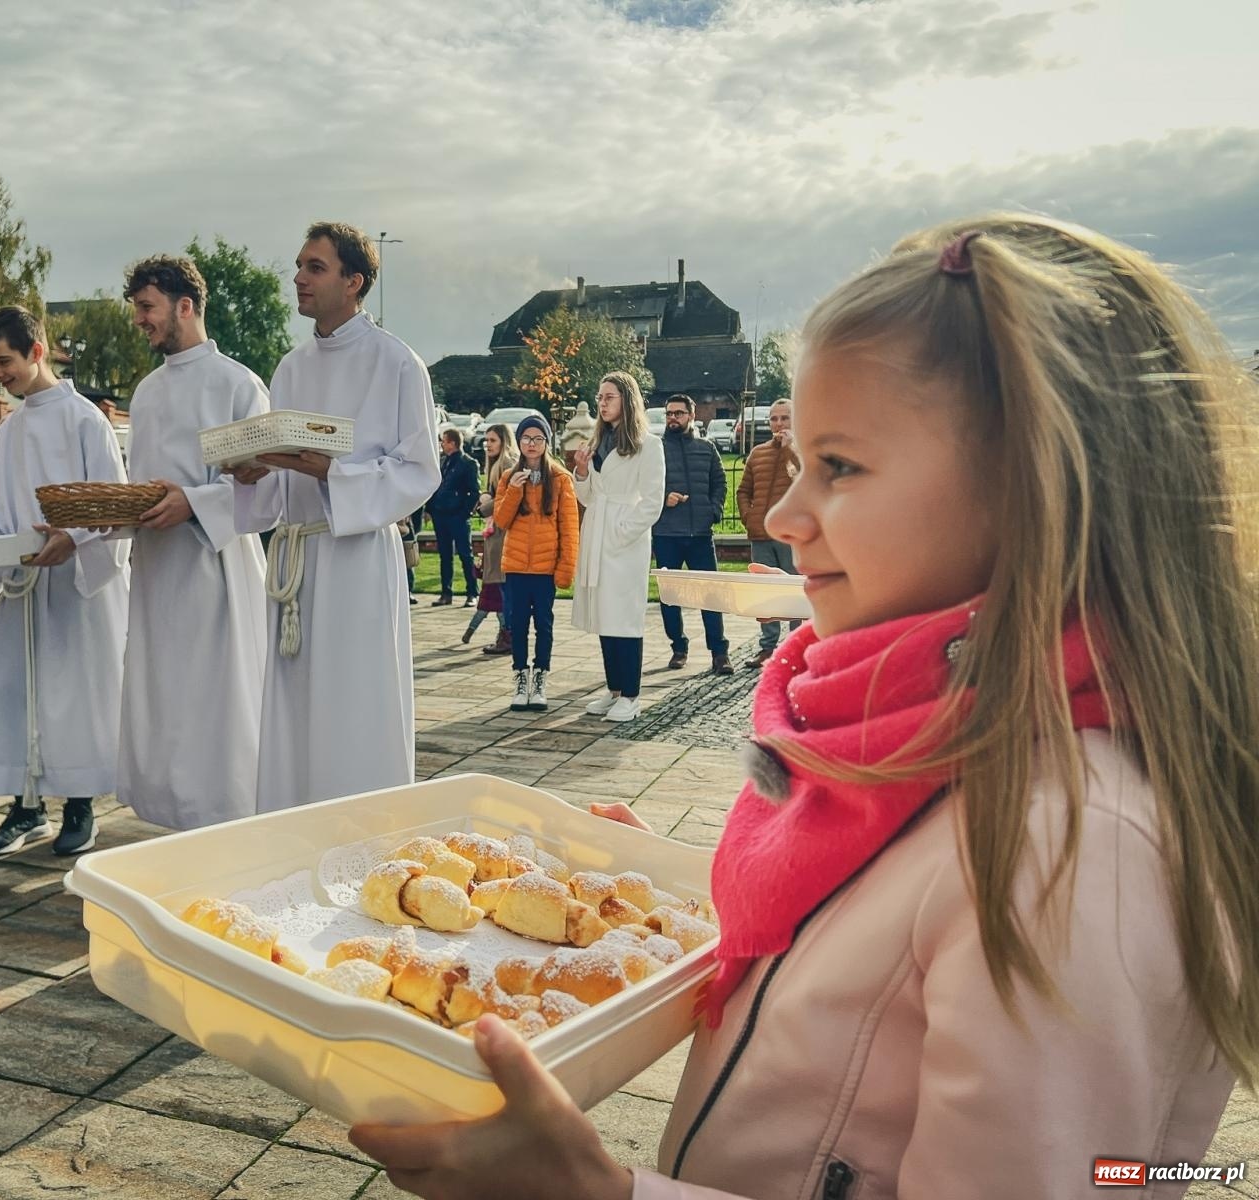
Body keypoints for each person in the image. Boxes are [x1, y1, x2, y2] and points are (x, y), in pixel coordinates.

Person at [346, 214, 1259, 1199]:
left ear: (1035, 489)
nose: (781, 517)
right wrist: (672, 886)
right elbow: (872, 952)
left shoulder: (1068, 854)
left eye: (842, 466)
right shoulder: (903, 734)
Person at [231, 221, 440, 809]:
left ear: (354, 281)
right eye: (299, 265)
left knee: (354, 703)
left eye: (314, 267)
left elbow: (421, 471)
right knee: (295, 711)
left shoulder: (398, 364)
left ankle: (363, 837)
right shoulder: (290, 367)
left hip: (356, 561)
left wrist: (333, 473)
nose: (298, 278)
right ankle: (293, 832)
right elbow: (278, 489)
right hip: (297, 559)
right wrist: (255, 471)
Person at [0, 306, 131, 858]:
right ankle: (25, 809)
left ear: (36, 352)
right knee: (16, 692)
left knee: (74, 695)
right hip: (24, 585)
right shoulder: (12, 426)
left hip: (75, 587)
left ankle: (80, 807)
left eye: (5, 361)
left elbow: (114, 504)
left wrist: (75, 537)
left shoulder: (84, 419)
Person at [116, 254, 269, 831]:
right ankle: (167, 813)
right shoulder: (148, 392)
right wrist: (123, 510)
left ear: (185, 306)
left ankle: (224, 813)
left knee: (216, 698)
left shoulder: (238, 383)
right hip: (157, 568)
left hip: (215, 566)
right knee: (162, 693)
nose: (140, 320)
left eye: (147, 308)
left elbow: (263, 478)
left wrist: (193, 502)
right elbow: (142, 479)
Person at [571, 371, 666, 723]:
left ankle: (631, 695)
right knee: (603, 615)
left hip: (624, 542)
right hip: (598, 532)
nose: (602, 403)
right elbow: (589, 496)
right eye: (600, 397)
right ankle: (613, 690)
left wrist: (622, 531)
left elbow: (653, 501)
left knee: (624, 618)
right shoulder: (597, 443)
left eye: (609, 396)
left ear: (627, 400)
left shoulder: (648, 444)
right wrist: (581, 473)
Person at [494, 414, 578, 712]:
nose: (532, 444)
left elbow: (569, 529)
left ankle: (540, 677)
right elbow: (501, 521)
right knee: (517, 624)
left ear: (546, 443)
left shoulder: (560, 479)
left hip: (545, 568)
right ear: (518, 443)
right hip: (516, 567)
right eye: (527, 439)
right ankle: (520, 678)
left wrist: (565, 568)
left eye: (538, 439)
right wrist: (515, 489)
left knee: (543, 624)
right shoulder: (508, 477)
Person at [652, 394, 732, 675]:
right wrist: (663, 498)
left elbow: (720, 483)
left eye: (679, 413)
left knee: (711, 595)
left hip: (700, 534)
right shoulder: (655, 450)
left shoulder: (707, 448)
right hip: (666, 533)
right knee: (670, 596)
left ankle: (719, 652)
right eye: (669, 413)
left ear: (692, 416)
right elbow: (643, 488)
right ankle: (678, 647)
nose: (673, 418)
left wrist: (713, 511)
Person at [736, 397, 801, 667]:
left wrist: (790, 450)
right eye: (774, 418)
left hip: (790, 535)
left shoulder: (803, 451)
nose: (778, 423)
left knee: (795, 592)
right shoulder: (758, 452)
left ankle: (798, 648)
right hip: (761, 535)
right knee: (766, 594)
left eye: (784, 418)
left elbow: (802, 478)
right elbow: (743, 491)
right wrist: (747, 517)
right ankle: (767, 648)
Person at [465, 423, 517, 651]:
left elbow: (511, 498)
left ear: (504, 441)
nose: (487, 444)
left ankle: (508, 637)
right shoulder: (496, 465)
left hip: (505, 534)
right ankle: (507, 636)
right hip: (497, 533)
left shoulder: (507, 464)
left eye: (493, 440)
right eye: (486, 440)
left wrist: (485, 506)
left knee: (504, 589)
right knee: (502, 588)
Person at [427, 428, 480, 606]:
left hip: (457, 516)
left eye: (444, 441)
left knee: (466, 554)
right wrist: (431, 508)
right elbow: (435, 486)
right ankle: (446, 593)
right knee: (445, 555)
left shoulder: (468, 463)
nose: (442, 444)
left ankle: (472, 592)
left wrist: (465, 512)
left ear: (453, 443)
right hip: (440, 515)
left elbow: (474, 491)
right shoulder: (443, 462)